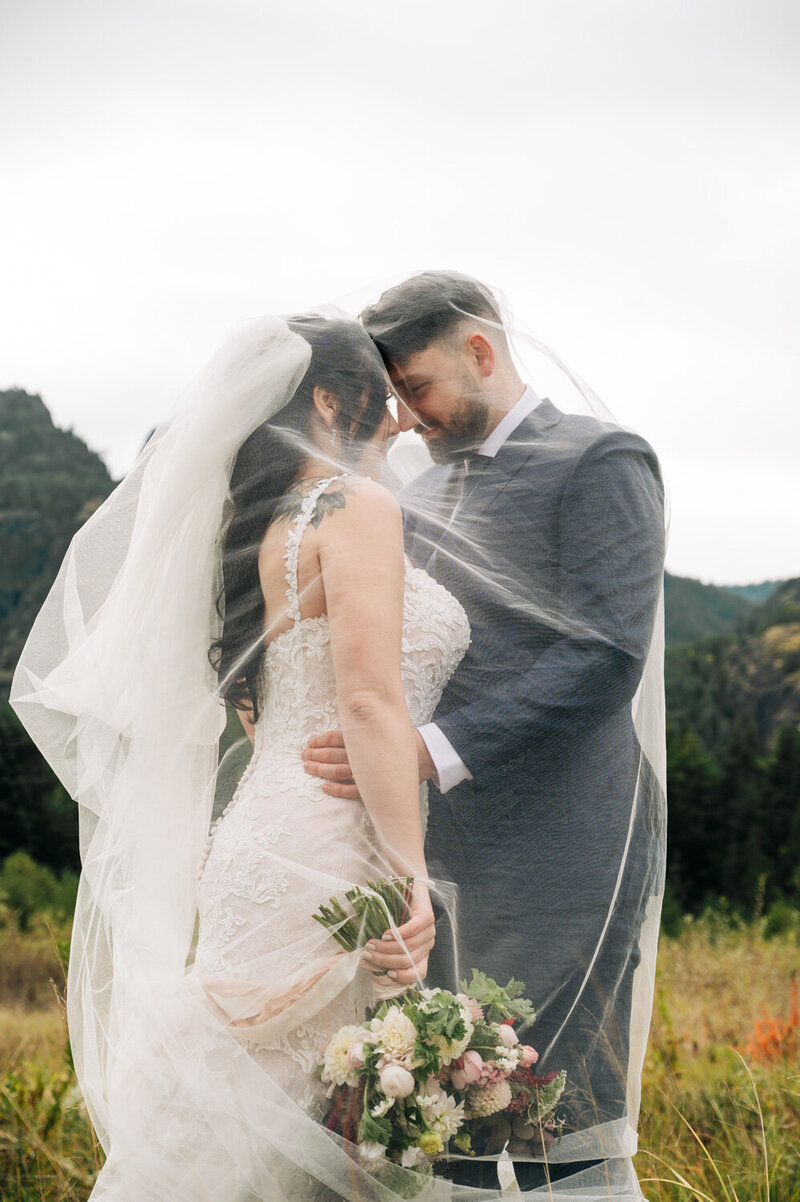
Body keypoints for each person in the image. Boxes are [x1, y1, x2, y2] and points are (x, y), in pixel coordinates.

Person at [10, 313, 472, 1200]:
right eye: (384, 402)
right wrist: (411, 874)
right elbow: (371, 699)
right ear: (332, 401)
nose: (403, 421)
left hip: (266, 835)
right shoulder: (355, 506)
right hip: (331, 853)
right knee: (297, 1127)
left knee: (250, 1119)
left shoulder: (268, 530)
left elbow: (273, 715)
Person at [303, 272, 668, 1196]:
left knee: (560, 1108)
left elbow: (606, 654)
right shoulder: (414, 488)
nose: (411, 416)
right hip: (451, 854)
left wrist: (426, 750)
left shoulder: (601, 459)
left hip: (570, 845)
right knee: (451, 1110)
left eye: (417, 387)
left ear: (479, 352)